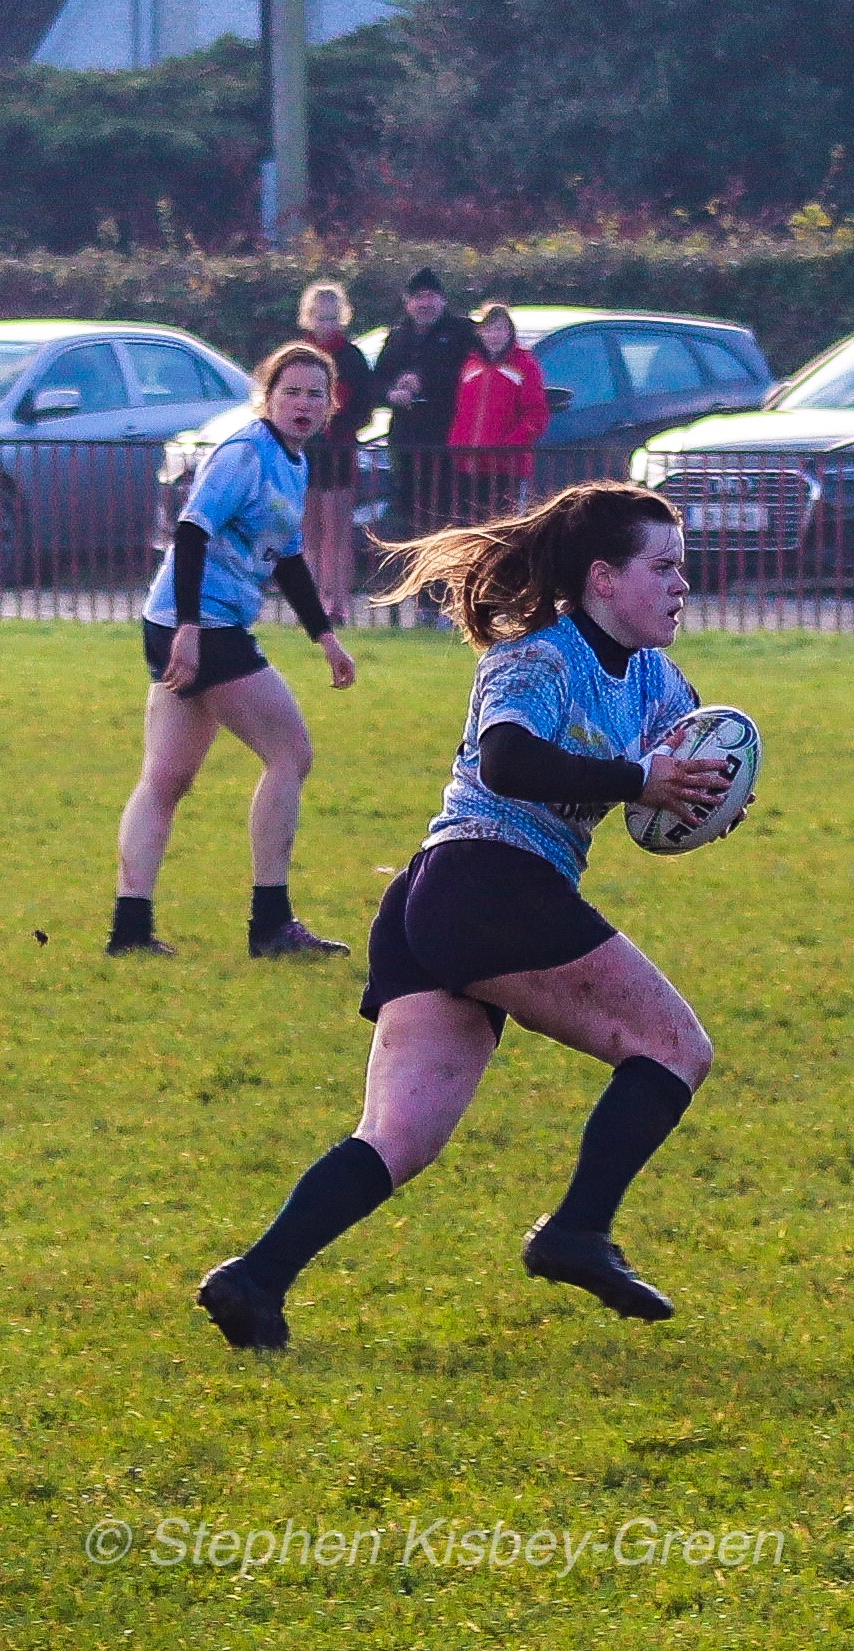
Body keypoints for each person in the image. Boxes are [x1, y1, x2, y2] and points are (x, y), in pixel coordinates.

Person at [193, 484, 742, 1350]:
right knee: (675, 1048)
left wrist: (703, 798)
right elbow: (508, 761)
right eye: (663, 567)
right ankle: (576, 1232)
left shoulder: (659, 682)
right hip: (488, 886)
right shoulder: (537, 657)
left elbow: (681, 772)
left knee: (400, 1137)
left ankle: (254, 1280)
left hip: (446, 901)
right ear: (603, 578)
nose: (682, 585)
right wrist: (640, 781)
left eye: (683, 568)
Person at [110, 343, 358, 960]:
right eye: (290, 391)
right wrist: (190, 629)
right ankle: (271, 926)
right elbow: (191, 533)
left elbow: (288, 560)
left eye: (315, 394)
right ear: (266, 397)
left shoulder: (293, 461)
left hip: (179, 622)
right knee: (290, 754)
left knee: (165, 778)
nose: (303, 404)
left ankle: (129, 931)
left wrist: (326, 637)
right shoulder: (245, 452)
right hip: (201, 624)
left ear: (330, 406)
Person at [371, 266, 479, 561]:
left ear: (443, 299)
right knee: (412, 520)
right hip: (407, 444)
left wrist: (425, 381)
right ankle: (418, 580)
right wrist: (392, 394)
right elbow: (376, 383)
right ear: (407, 302)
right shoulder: (398, 337)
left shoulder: (462, 333)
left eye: (431, 296)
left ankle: (445, 575)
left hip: (448, 443)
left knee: (447, 519)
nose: (425, 303)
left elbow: (471, 377)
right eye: (418, 297)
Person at [297, 281, 375, 622]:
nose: (325, 324)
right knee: (308, 530)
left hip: (339, 451)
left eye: (331, 317)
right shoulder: (297, 356)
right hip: (303, 451)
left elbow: (365, 408)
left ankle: (338, 602)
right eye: (319, 317)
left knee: (337, 530)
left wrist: (338, 425)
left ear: (341, 318)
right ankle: (309, 601)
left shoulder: (351, 358)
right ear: (308, 317)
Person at [447, 301, 552, 525]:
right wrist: (456, 444)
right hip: (467, 463)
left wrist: (509, 446)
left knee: (502, 528)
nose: (493, 335)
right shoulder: (470, 365)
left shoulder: (525, 365)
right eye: (488, 329)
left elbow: (536, 415)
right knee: (468, 529)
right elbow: (459, 412)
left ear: (509, 332)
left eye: (500, 329)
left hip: (506, 467)